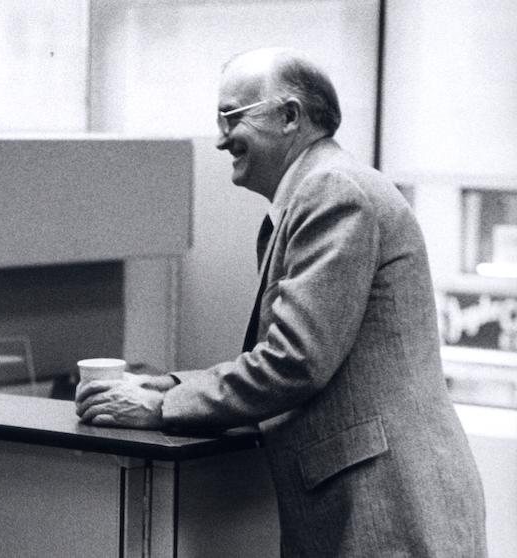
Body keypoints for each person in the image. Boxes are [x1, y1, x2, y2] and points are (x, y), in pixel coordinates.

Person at [76, 47, 487, 557]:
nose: (222, 139)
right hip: (374, 501)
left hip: (384, 508)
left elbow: (295, 360)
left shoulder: (332, 191)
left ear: (290, 116)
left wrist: (164, 405)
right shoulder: (313, 197)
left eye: (231, 117)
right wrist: (169, 382)